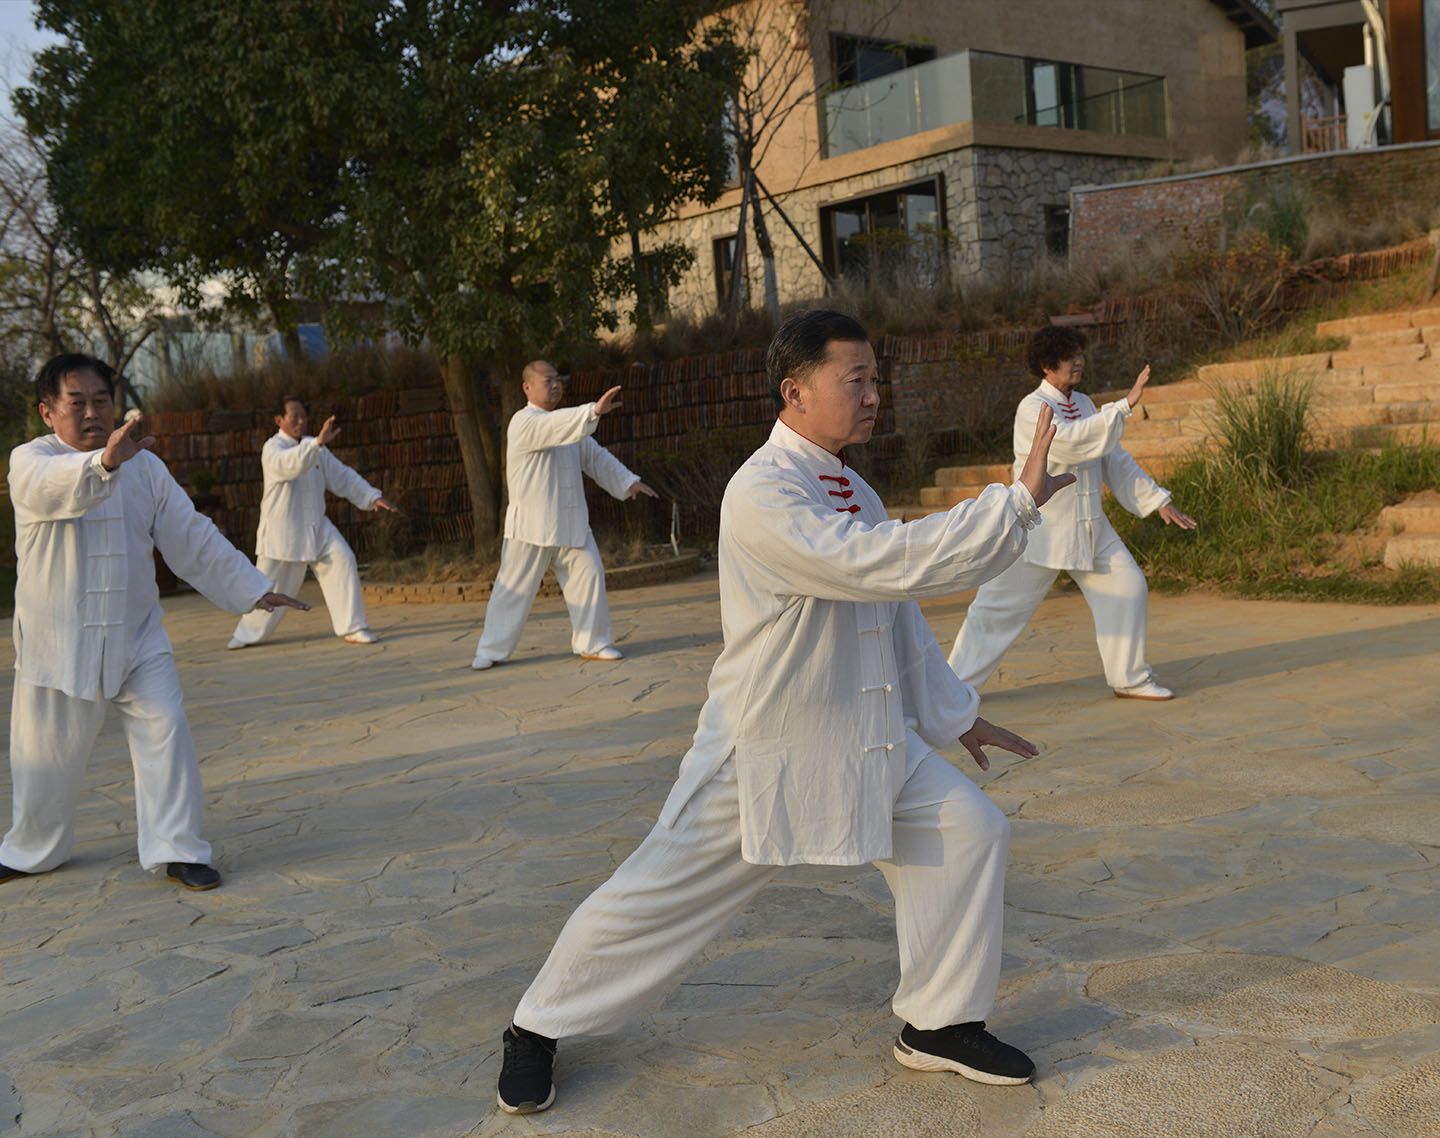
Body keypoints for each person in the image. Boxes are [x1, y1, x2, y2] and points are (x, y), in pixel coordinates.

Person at [495, 310, 1077, 1115]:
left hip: (865, 732)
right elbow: (876, 563)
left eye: (876, 379)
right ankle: (535, 1027)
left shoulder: (852, 486)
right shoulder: (763, 490)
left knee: (969, 830)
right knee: (656, 894)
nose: (873, 396)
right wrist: (1012, 506)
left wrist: (953, 714)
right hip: (767, 743)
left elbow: (894, 609)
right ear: (794, 392)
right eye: (856, 380)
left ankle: (940, 1024)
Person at [2, 354, 307, 891]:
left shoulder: (145, 466)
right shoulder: (31, 461)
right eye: (77, 403)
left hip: (137, 635)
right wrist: (103, 464)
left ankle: (178, 849)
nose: (92, 413)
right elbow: (52, 489)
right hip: (58, 639)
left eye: (101, 401)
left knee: (165, 728)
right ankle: (32, 850)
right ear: (48, 412)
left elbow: (190, 533)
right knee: (45, 757)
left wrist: (252, 586)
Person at [948, 325, 1197, 701]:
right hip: (1037, 530)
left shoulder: (1083, 403)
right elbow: (1070, 442)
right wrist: (1123, 406)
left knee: (1128, 588)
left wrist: (1156, 499)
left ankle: (1129, 678)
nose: (1078, 361)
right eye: (1069, 357)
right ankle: (949, 692)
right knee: (994, 613)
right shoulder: (1032, 408)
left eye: (1080, 354)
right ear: (1047, 366)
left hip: (1090, 527)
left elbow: (1111, 456)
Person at [470, 360, 658, 670]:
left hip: (570, 523)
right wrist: (592, 411)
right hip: (530, 527)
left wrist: (628, 481)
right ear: (527, 387)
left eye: (558, 379)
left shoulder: (571, 428)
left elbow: (596, 458)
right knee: (512, 591)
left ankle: (593, 643)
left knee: (590, 576)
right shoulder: (523, 422)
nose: (556, 385)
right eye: (548, 381)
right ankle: (491, 650)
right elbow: (553, 428)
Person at [227, 396, 396, 650]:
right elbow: (291, 465)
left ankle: (354, 627)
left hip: (317, 526)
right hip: (282, 532)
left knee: (343, 560)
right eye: (294, 416)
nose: (300, 421)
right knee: (268, 590)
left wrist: (372, 496)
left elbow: (342, 476)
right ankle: (247, 634)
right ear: (279, 420)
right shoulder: (272, 449)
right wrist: (317, 443)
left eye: (303, 416)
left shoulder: (316, 447)